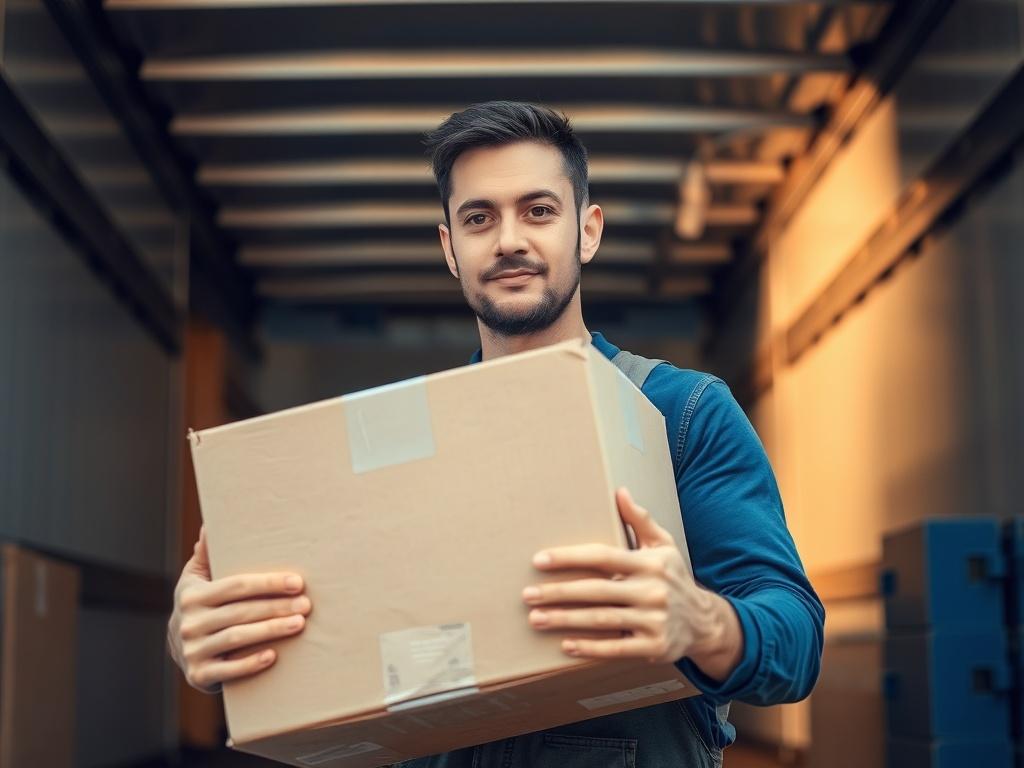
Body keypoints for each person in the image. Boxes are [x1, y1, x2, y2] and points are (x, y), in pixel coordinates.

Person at [167, 101, 824, 767]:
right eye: (479, 218)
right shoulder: (403, 447)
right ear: (450, 247)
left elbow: (796, 644)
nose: (509, 239)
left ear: (587, 231)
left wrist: (699, 620)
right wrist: (200, 635)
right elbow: (318, 632)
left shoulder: (682, 413)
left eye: (538, 211)